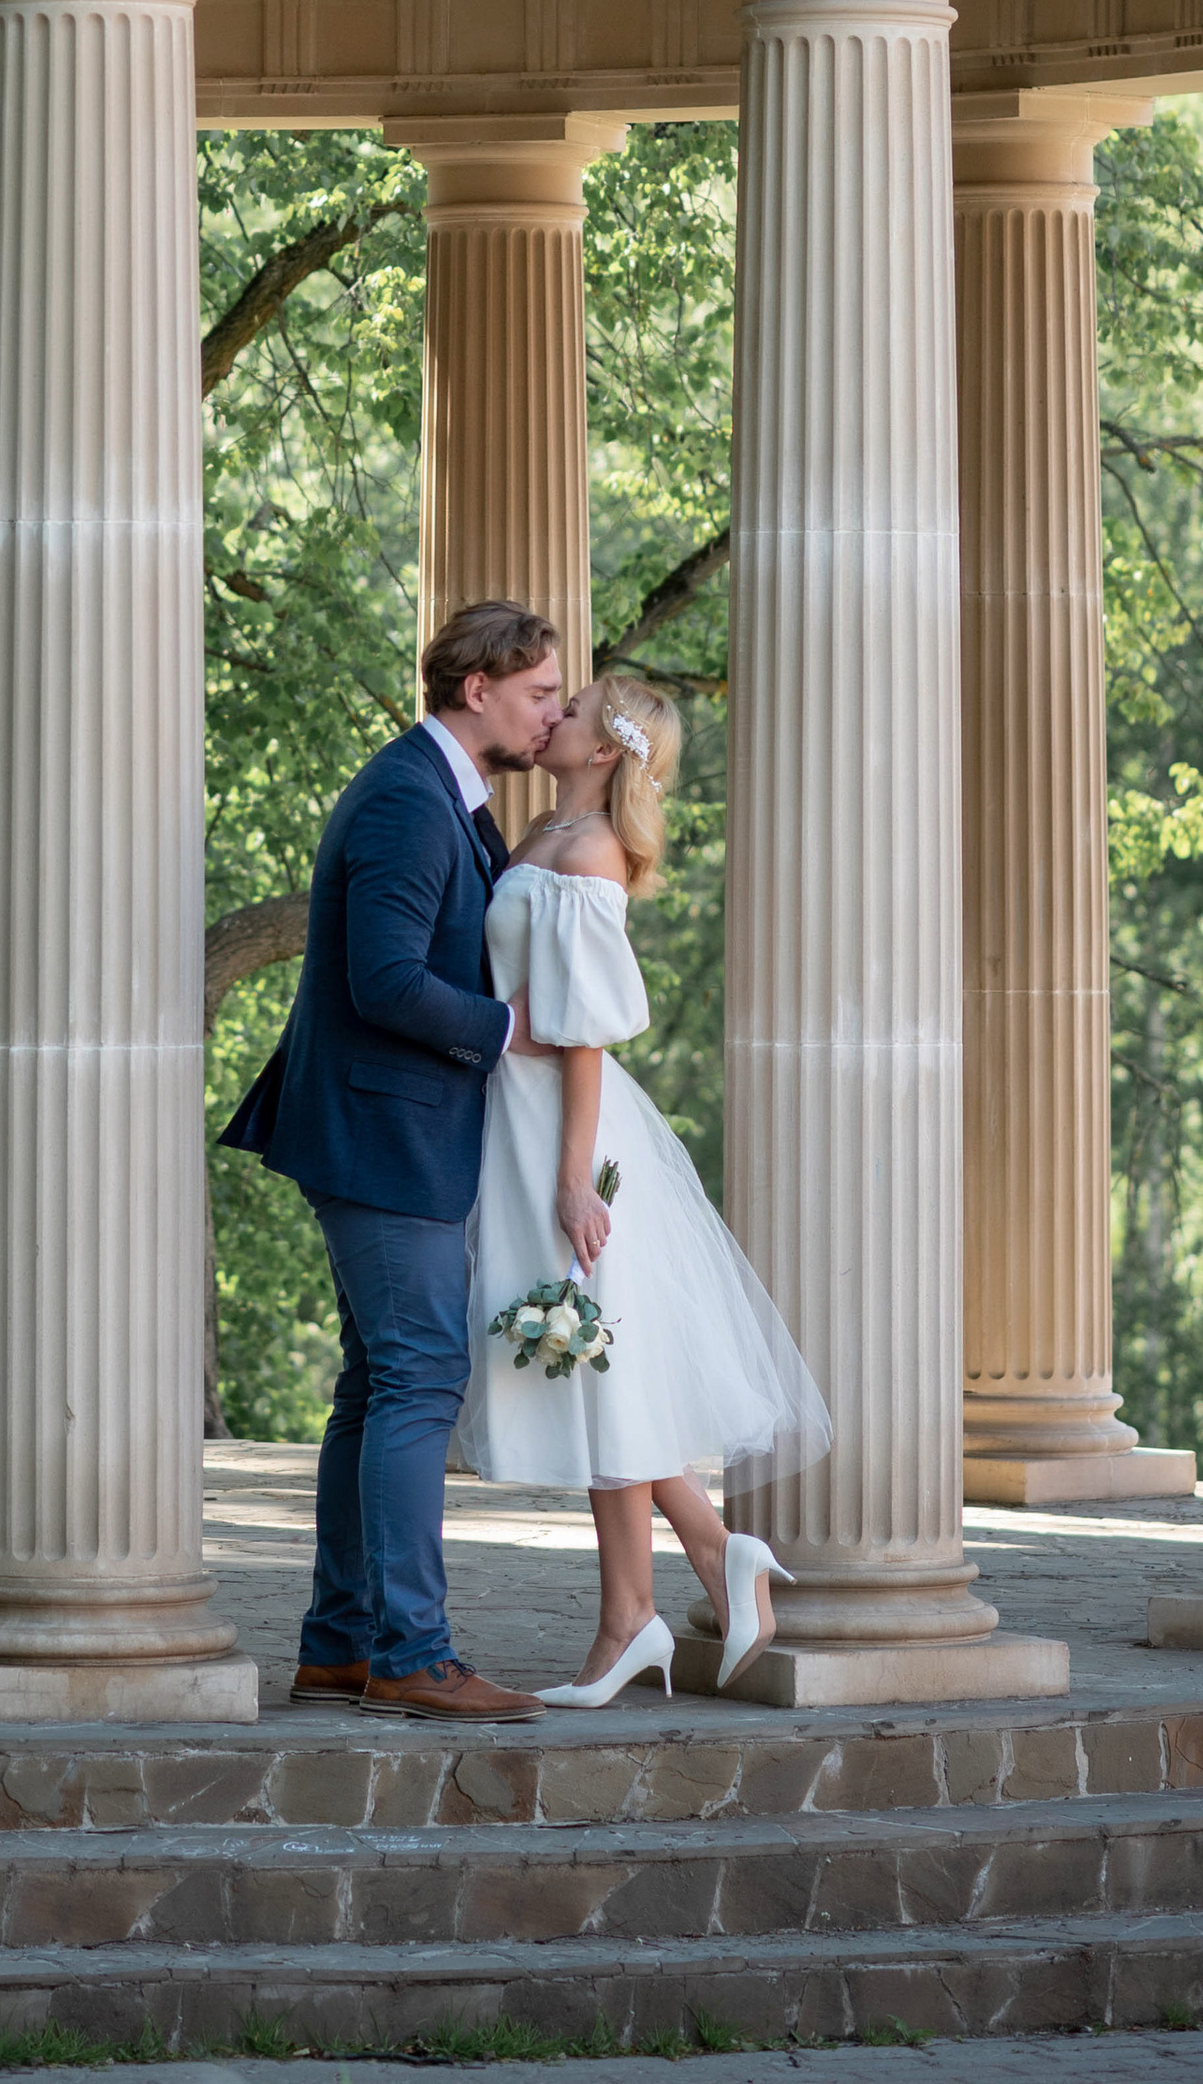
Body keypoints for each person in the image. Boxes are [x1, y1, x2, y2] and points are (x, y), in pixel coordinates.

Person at [455, 671, 831, 1705]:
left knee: (589, 1355)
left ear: (606, 749)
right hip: (519, 1115)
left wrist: (573, 1182)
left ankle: (660, 1597)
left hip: (561, 1130)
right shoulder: (538, 836)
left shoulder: (583, 856)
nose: (552, 716)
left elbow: (579, 1035)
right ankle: (675, 1585)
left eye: (570, 709)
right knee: (589, 1365)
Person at [221, 597, 565, 1722]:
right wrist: (514, 1031)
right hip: (384, 1134)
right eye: (538, 695)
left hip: (389, 1128)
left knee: (375, 1387)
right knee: (418, 1379)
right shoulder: (408, 802)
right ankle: (414, 1655)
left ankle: (339, 1644)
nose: (550, 715)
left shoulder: (441, 794)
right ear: (478, 692)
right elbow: (382, 982)